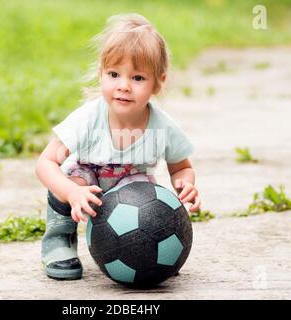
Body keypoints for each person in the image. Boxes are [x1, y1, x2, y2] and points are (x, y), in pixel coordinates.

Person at [35, 13, 200, 280]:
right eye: (114, 74)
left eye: (137, 78)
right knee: (71, 180)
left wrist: (186, 184)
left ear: (159, 81)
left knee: (150, 202)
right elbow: (45, 163)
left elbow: (181, 167)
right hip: (87, 179)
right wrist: (69, 192)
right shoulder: (88, 119)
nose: (123, 86)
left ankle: (151, 253)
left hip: (133, 187)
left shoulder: (163, 127)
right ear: (101, 73)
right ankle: (59, 240)